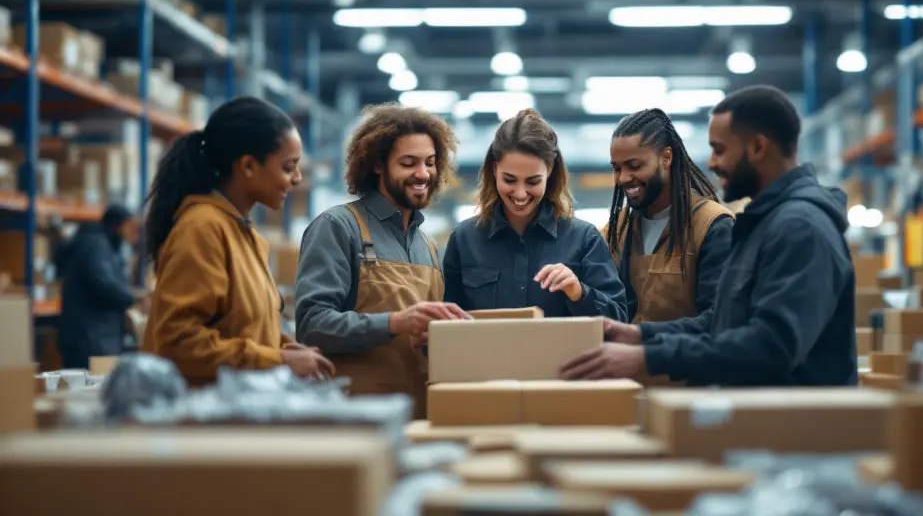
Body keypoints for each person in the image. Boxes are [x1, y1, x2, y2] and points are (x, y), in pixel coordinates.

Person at [562, 85, 857, 387]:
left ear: (757, 147)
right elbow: (724, 323)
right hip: (767, 421)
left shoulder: (801, 228)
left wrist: (649, 358)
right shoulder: (763, 224)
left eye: (719, 149)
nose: (712, 163)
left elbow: (771, 346)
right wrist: (641, 336)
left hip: (800, 427)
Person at [141, 96, 334, 385]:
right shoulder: (202, 229)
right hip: (201, 418)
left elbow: (241, 329)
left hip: (235, 408)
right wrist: (277, 360)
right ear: (247, 166)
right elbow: (179, 342)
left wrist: (285, 348)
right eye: (287, 167)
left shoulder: (245, 233)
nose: (296, 179)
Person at [294, 103, 469, 418]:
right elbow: (312, 326)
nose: (422, 174)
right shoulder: (338, 227)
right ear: (376, 164)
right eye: (408, 162)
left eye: (430, 163)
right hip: (355, 417)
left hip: (419, 414)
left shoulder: (426, 245)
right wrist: (395, 322)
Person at [444, 108, 627, 321]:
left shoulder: (584, 240)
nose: (520, 194)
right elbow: (446, 325)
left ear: (549, 171)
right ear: (494, 169)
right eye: (510, 180)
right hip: (487, 356)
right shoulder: (464, 239)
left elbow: (619, 321)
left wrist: (579, 292)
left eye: (533, 181)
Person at [601, 108, 734, 383]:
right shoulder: (616, 230)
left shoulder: (714, 226)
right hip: (625, 391)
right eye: (617, 168)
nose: (623, 178)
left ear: (666, 157)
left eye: (635, 166)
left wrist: (641, 337)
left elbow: (720, 322)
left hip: (690, 395)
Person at [55, 204, 146, 369]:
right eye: (130, 226)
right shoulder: (95, 246)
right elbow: (104, 284)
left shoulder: (104, 246)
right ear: (118, 226)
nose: (135, 233)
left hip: (94, 337)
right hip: (89, 339)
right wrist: (135, 297)